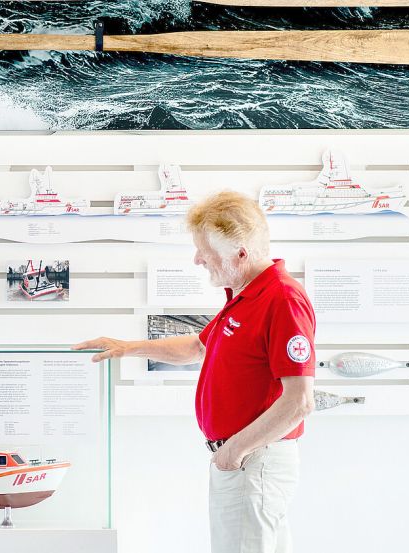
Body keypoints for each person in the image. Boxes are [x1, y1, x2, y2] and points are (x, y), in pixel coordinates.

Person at [74, 190, 315, 553]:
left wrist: (234, 450)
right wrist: (129, 347)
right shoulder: (243, 295)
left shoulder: (281, 298)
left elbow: (299, 402)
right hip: (240, 460)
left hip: (253, 460)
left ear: (240, 253)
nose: (197, 259)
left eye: (205, 251)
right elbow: (198, 347)